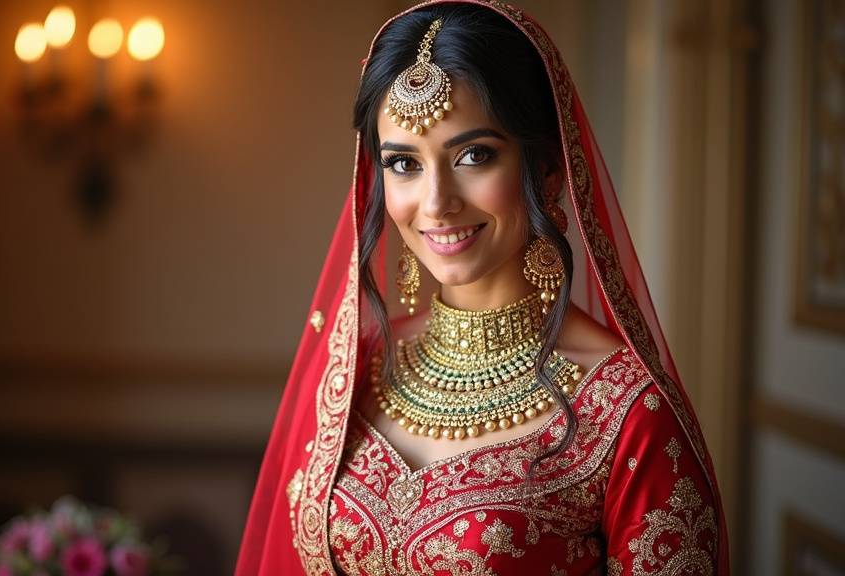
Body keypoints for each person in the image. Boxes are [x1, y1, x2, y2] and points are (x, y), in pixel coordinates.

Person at [236, 1, 730, 574]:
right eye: (404, 164)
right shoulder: (354, 370)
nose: (436, 203)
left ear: (547, 168)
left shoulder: (629, 412)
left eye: (474, 155)